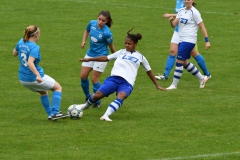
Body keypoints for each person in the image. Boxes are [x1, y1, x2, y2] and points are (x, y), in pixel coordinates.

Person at [79, 28, 167, 121]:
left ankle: (106, 115)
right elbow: (106, 58)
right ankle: (85, 106)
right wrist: (89, 59)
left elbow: (149, 71)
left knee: (122, 96)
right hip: (114, 79)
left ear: (135, 44)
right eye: (125, 43)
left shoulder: (141, 57)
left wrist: (157, 85)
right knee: (98, 95)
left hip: (127, 83)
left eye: (129, 44)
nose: (127, 45)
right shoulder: (120, 52)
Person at [13, 25, 69, 120]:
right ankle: (55, 113)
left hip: (23, 78)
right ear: (36, 35)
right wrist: (38, 75)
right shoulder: (35, 47)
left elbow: (14, 53)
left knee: (43, 92)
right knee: (58, 88)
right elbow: (30, 63)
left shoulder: (21, 41)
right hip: (33, 77)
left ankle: (50, 114)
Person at [155, 0, 211, 80]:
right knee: (172, 52)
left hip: (188, 35)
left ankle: (207, 74)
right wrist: (171, 20)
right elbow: (180, 15)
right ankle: (165, 75)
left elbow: (186, 15)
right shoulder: (178, 1)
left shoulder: (192, 10)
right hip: (178, 32)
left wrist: (207, 40)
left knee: (194, 53)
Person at [80, 11, 116, 108]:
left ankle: (97, 101)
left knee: (94, 79)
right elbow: (86, 30)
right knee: (83, 77)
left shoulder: (107, 33)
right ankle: (88, 97)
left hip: (101, 57)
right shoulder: (92, 23)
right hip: (90, 54)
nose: (100, 22)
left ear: (107, 21)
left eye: (103, 21)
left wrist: (116, 57)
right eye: (99, 19)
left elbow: (111, 47)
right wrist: (83, 41)